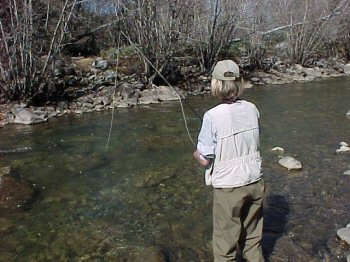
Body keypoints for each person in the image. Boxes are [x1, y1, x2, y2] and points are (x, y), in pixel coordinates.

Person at [193, 60, 265, 262]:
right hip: (254, 182)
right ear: (239, 82)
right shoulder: (252, 109)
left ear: (215, 84)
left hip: (228, 188)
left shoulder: (211, 116)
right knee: (253, 240)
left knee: (225, 247)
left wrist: (196, 154)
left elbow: (205, 160)